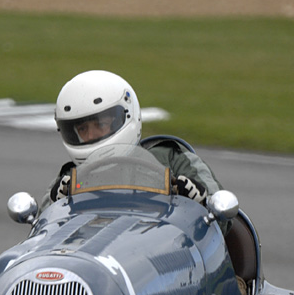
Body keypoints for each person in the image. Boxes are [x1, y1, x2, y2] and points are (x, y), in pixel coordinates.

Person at [40, 70, 225, 221]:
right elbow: (42, 230)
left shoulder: (172, 158)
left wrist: (200, 201)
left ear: (127, 115)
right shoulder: (68, 180)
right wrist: (56, 204)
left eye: (101, 124)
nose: (91, 135)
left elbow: (223, 212)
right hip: (96, 257)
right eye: (82, 129)